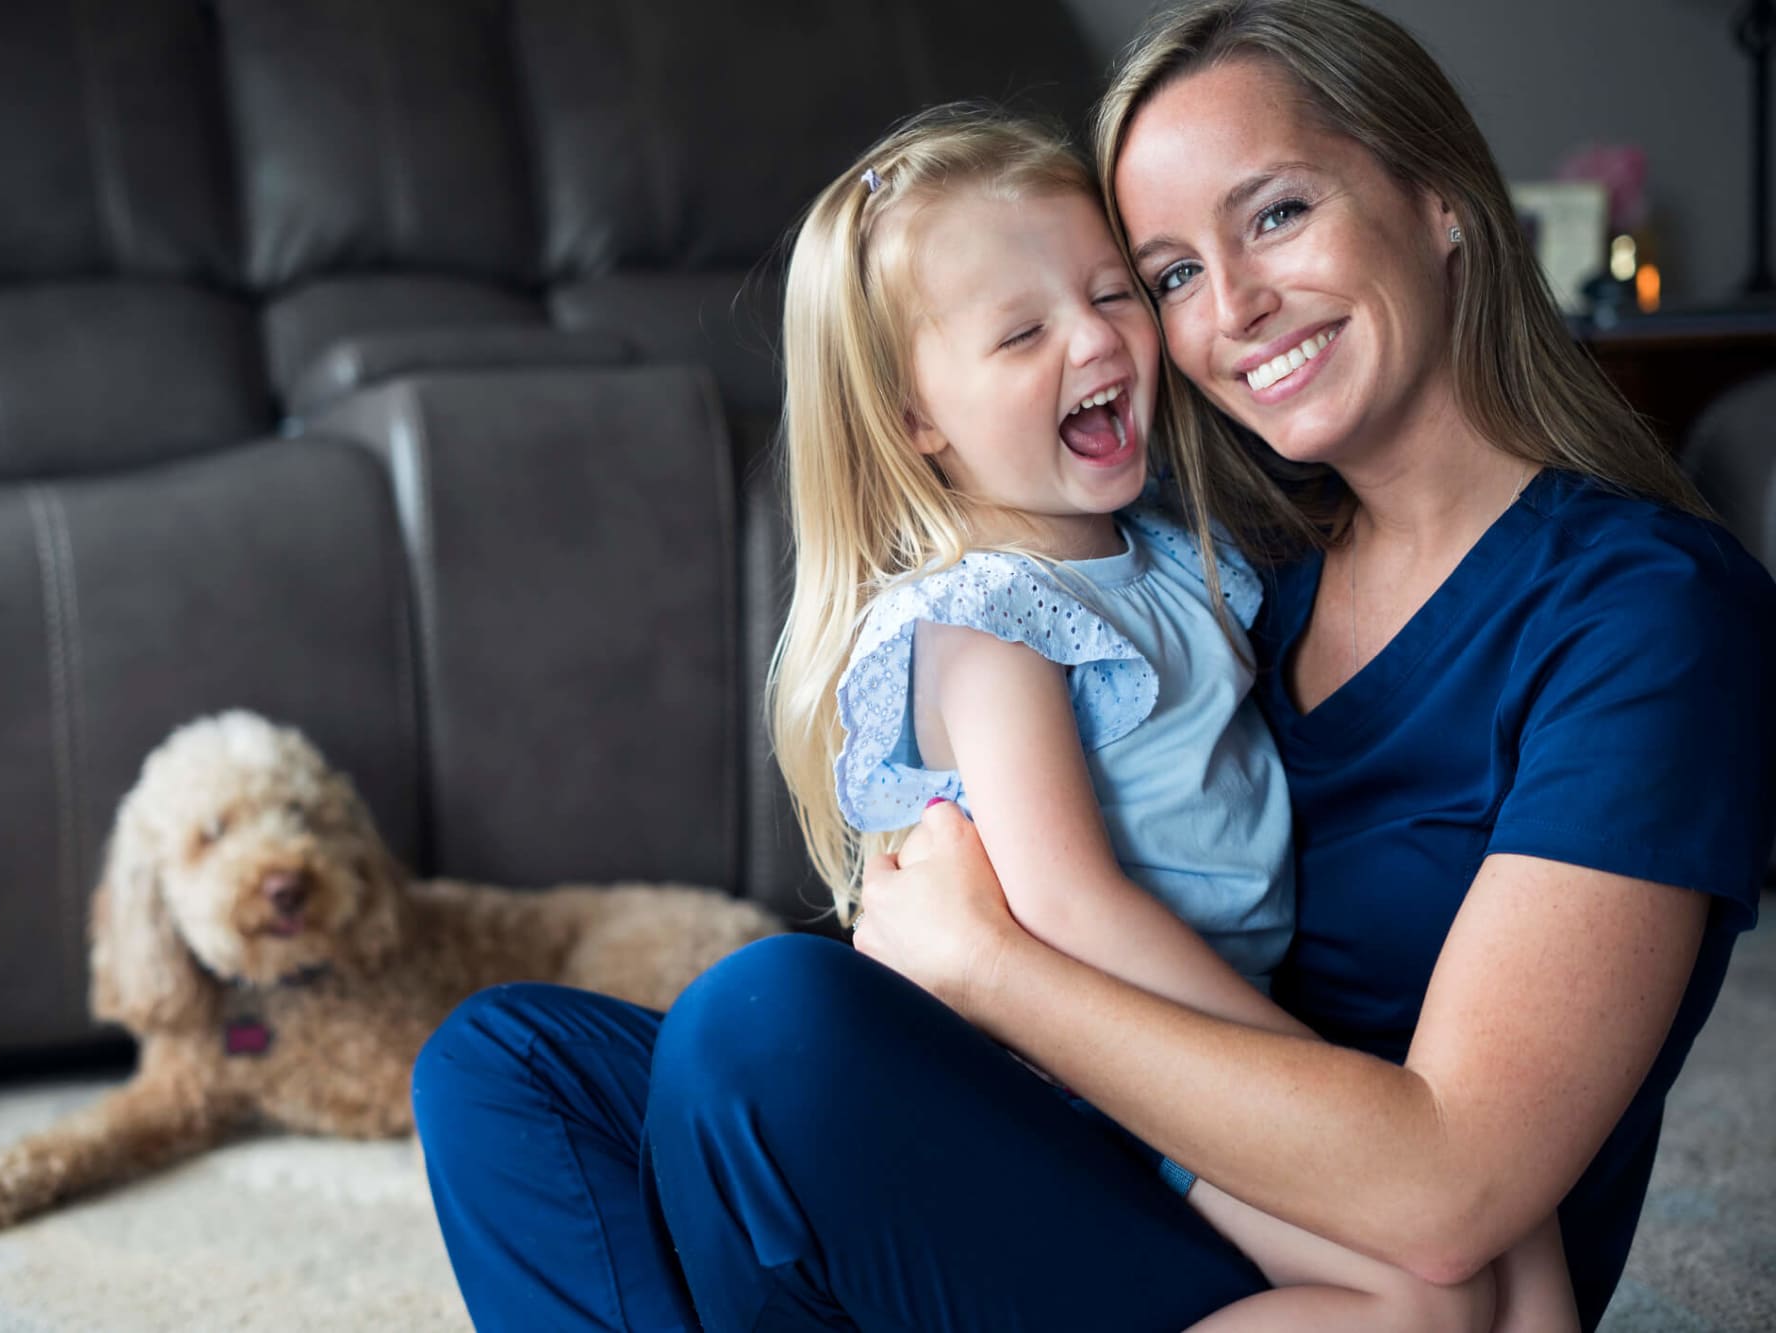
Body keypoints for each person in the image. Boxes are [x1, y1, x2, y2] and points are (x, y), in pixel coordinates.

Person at [410, 4, 1774, 1330]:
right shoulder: (1250, 561)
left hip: (1370, 1249)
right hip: (1110, 1152)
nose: (1230, 306)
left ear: (1441, 199)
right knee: (503, 1067)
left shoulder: (1643, 616)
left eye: (1277, 213)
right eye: (1174, 271)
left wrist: (984, 969)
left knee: (762, 1028)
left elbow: (1454, 1187)